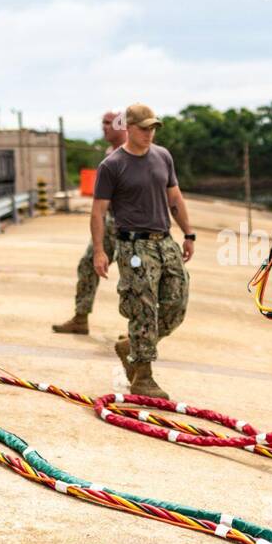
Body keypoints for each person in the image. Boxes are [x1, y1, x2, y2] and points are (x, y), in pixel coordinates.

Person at [91, 103, 194, 399]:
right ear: (129, 128)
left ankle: (130, 348)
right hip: (133, 246)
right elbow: (98, 212)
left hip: (165, 241)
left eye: (153, 128)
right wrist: (100, 251)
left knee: (176, 304)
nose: (149, 133)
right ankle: (143, 376)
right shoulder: (112, 165)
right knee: (143, 308)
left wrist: (189, 233)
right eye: (144, 128)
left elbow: (175, 197)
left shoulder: (163, 156)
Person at [52, 110, 127, 334]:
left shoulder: (132, 153)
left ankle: (138, 331)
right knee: (88, 264)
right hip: (111, 222)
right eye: (102, 122)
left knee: (135, 276)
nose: (103, 127)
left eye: (108, 123)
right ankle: (81, 318)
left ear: (122, 126)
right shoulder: (109, 152)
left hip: (130, 226)